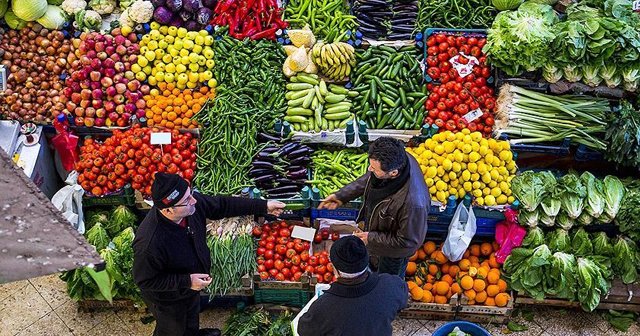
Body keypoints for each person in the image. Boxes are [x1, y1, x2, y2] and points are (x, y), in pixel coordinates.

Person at [133, 173, 285, 336]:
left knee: (191, 316)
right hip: (168, 298)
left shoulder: (189, 207)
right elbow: (145, 281)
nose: (194, 201)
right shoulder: (149, 243)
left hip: (190, 286)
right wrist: (187, 281)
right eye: (187, 201)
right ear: (169, 210)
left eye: (190, 194)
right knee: (173, 328)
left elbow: (222, 205)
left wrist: (263, 205)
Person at [319, 137, 430, 277]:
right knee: (373, 269)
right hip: (379, 234)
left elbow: (408, 243)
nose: (369, 169)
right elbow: (371, 177)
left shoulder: (413, 204)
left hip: (392, 254)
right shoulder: (399, 158)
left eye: (374, 168)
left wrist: (371, 238)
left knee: (387, 280)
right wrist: (342, 196)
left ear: (393, 173)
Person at [297, 236, 408, 336]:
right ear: (366, 260)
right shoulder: (392, 285)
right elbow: (402, 301)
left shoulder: (323, 308)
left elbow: (303, 330)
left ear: (335, 269)